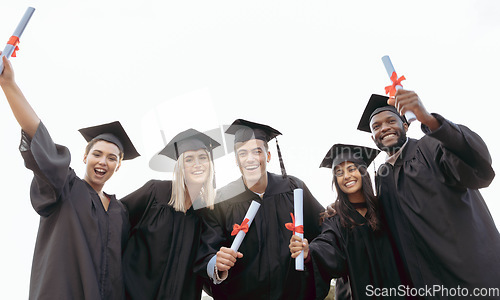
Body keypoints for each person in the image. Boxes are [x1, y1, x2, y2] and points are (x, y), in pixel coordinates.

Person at [0, 55, 140, 299]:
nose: (103, 162)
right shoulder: (65, 186)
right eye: (97, 154)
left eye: (111, 158)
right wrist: (9, 85)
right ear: (85, 156)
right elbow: (39, 137)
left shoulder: (121, 212)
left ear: (118, 166)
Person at [357, 91, 500, 296]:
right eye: (377, 126)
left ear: (405, 125)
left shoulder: (431, 147)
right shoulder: (383, 177)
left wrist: (430, 120)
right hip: (426, 284)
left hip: (471, 276)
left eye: (391, 121)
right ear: (373, 138)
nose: (385, 128)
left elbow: (476, 164)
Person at [195, 119, 325, 300]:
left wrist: (311, 251)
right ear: (236, 160)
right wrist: (216, 263)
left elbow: (325, 230)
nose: (250, 159)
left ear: (268, 156)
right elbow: (206, 250)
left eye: (257, 151)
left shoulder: (294, 188)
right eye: (243, 153)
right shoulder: (221, 200)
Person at [289, 144, 409, 300]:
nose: (346, 176)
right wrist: (309, 251)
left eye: (351, 169)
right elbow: (328, 245)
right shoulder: (335, 219)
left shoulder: (386, 208)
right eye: (339, 172)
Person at [121, 128, 220, 299]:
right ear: (180, 166)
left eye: (203, 157)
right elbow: (116, 220)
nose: (197, 164)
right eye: (189, 159)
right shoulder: (155, 193)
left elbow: (205, 260)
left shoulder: (206, 214)